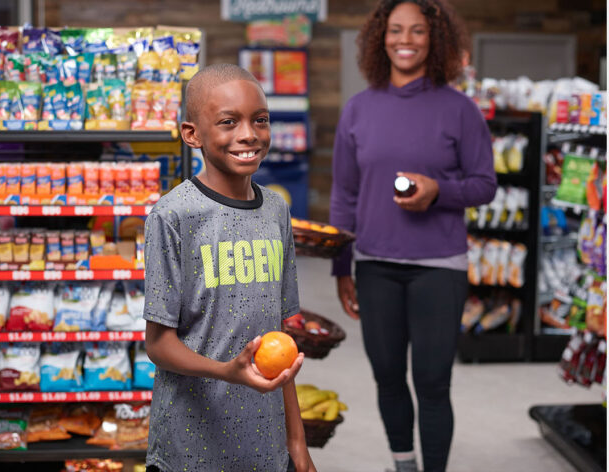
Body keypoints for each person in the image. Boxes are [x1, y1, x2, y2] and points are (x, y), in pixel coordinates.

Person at [330, 1, 496, 471]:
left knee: (432, 380)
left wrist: (438, 191)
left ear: (434, 39)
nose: (405, 39)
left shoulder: (459, 110)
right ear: (380, 37)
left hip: (438, 266)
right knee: (387, 375)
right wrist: (343, 266)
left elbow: (485, 184)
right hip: (375, 264)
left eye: (417, 31)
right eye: (396, 30)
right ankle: (403, 463)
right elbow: (344, 194)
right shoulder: (359, 109)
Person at [142, 63, 316, 472]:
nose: (248, 135)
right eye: (228, 122)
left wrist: (297, 441)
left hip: (266, 447)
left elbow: (281, 337)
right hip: (189, 448)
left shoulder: (276, 210)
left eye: (260, 120)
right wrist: (228, 372)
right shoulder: (173, 216)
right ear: (192, 134)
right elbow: (158, 344)